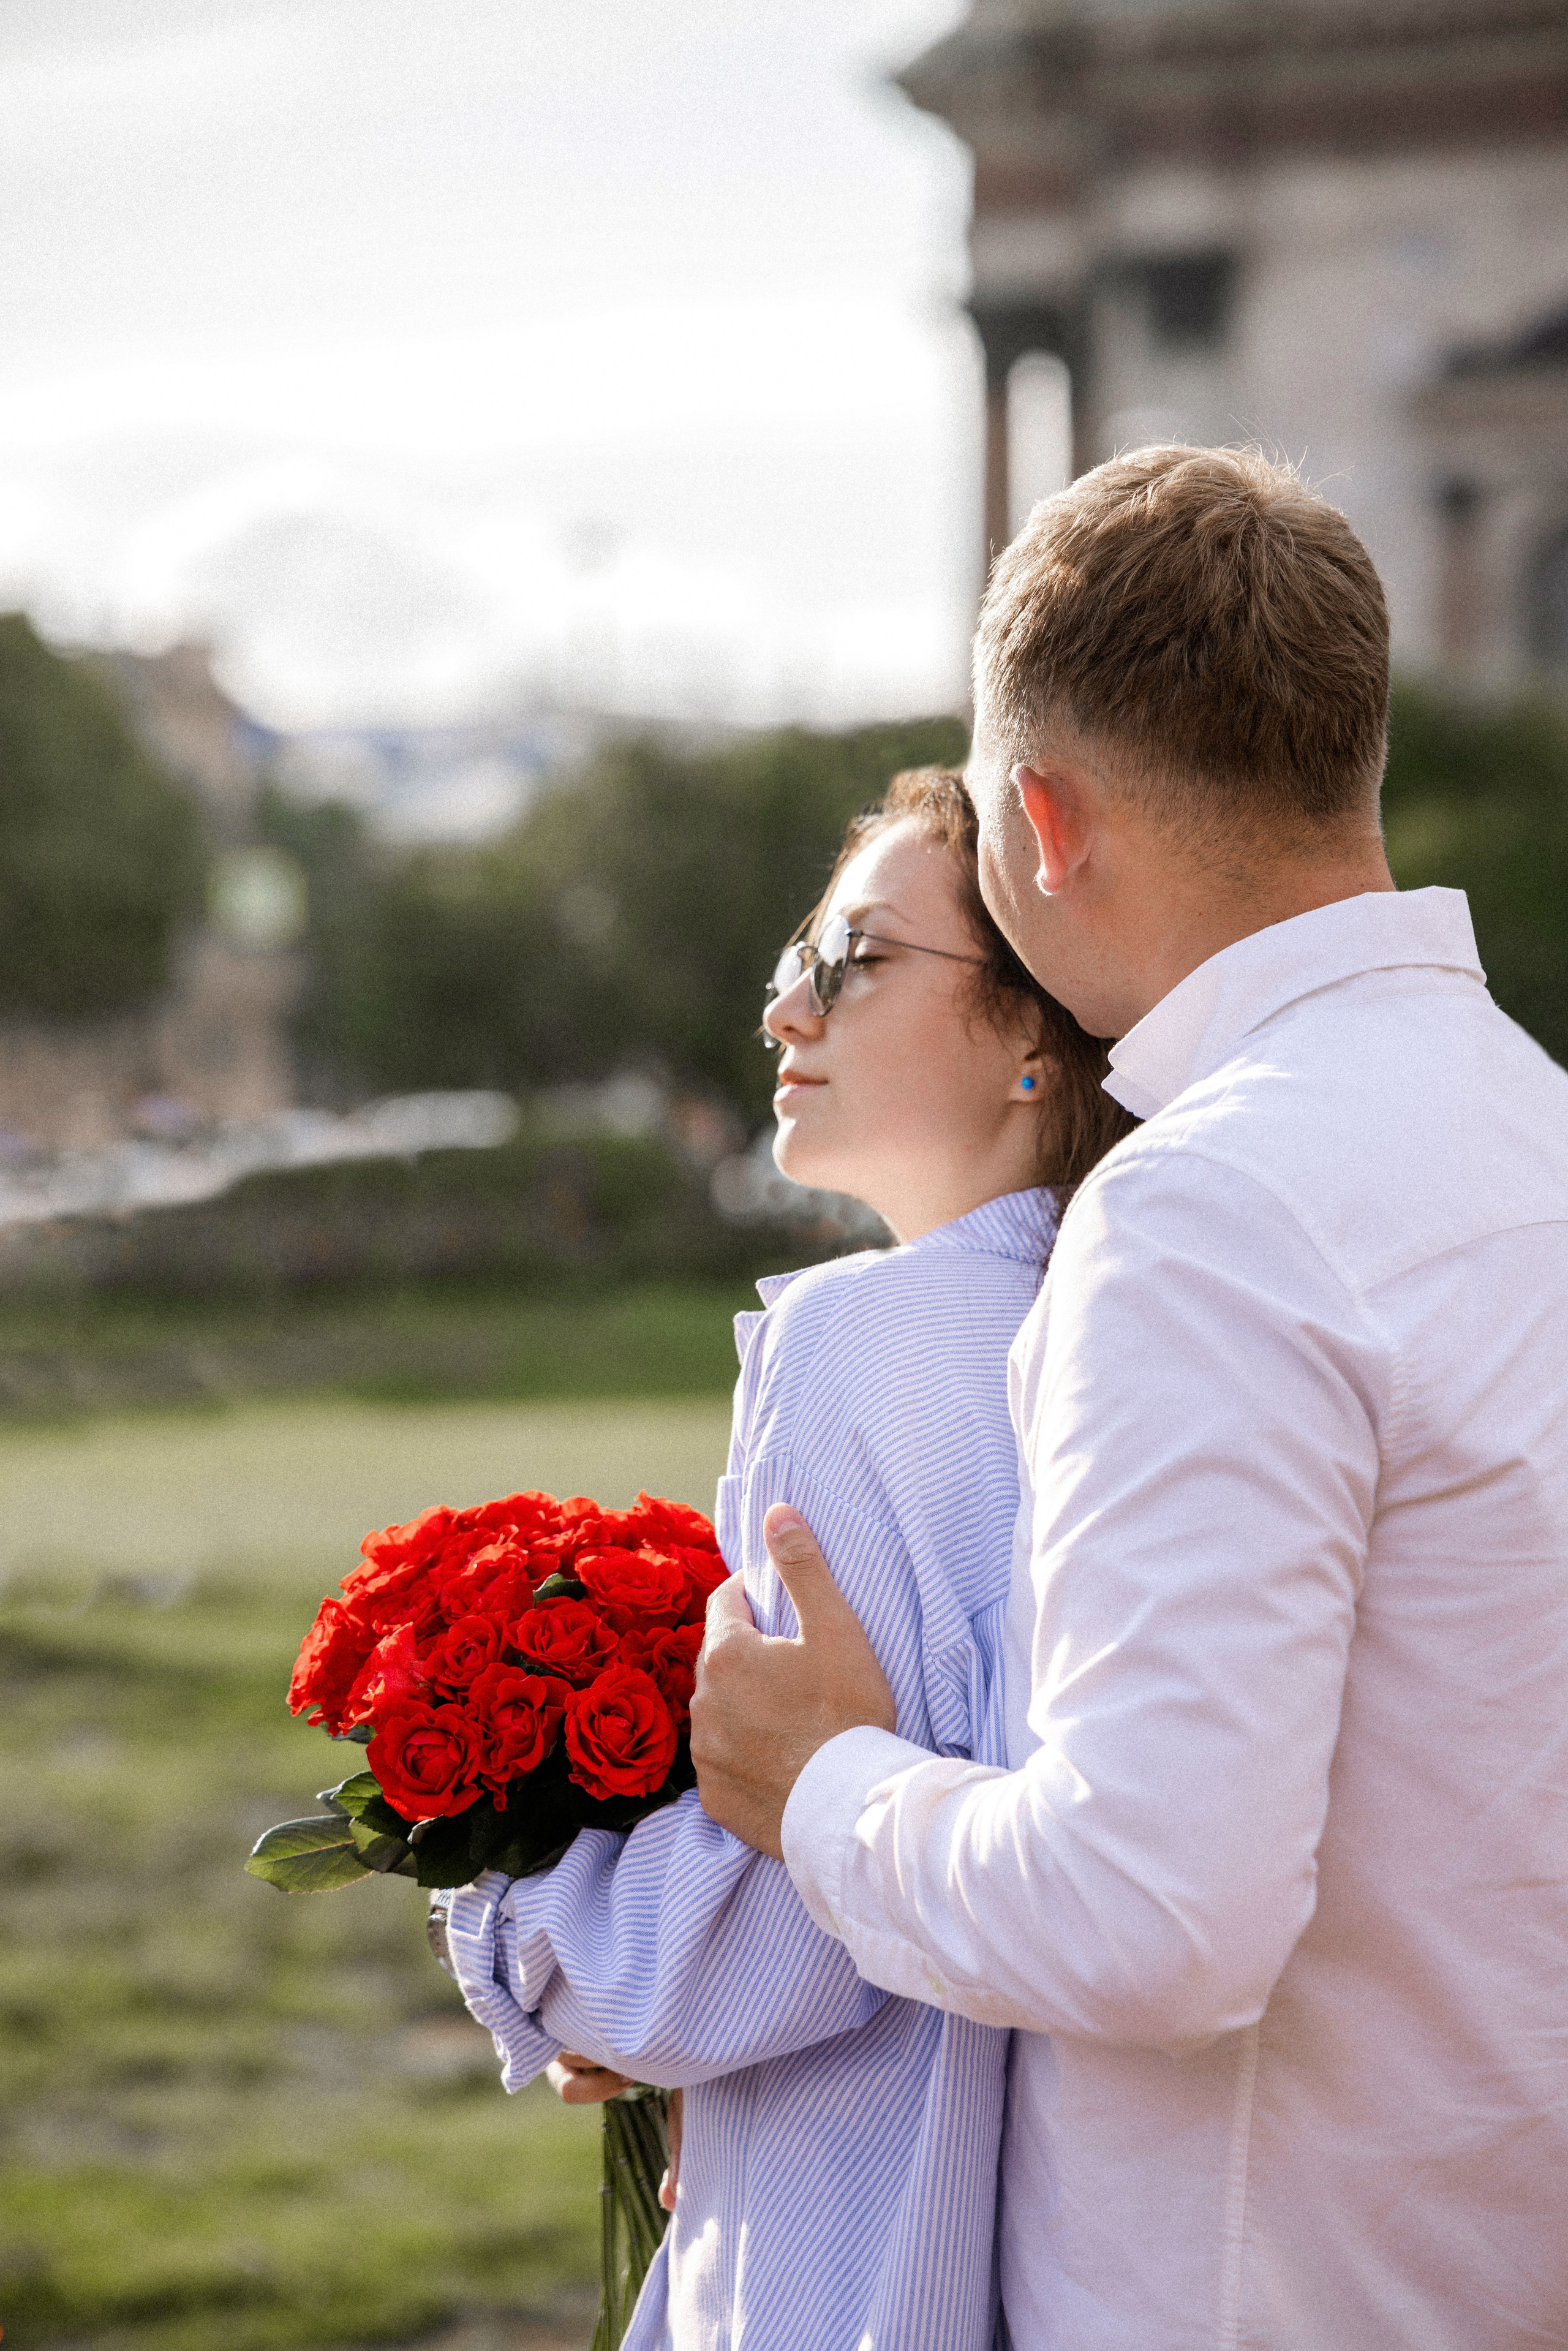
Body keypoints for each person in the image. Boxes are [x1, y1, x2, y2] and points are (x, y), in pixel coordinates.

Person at [692, 447, 1568, 2348]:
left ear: (1045, 823)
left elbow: (1155, 1916)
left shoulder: (1209, 1209)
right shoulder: (1535, 1133)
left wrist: (817, 1788)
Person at [434, 766, 1133, 2350]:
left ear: (1036, 1027)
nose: (781, 1010)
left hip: (857, 2242)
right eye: (790, 962)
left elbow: (788, 1894)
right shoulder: (1110, 1325)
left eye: (851, 958)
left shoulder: (866, 1343)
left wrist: (517, 1925)